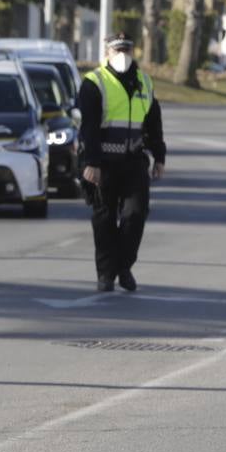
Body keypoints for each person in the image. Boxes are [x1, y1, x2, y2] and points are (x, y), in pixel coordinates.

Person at [79, 32, 167, 292]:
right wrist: (91, 162)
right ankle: (106, 275)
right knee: (104, 219)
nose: (122, 55)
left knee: (135, 216)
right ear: (106, 53)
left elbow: (154, 124)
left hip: (133, 163)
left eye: (126, 49)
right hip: (102, 164)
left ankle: (123, 265)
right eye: (117, 50)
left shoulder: (144, 83)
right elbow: (89, 128)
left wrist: (159, 156)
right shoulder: (94, 82)